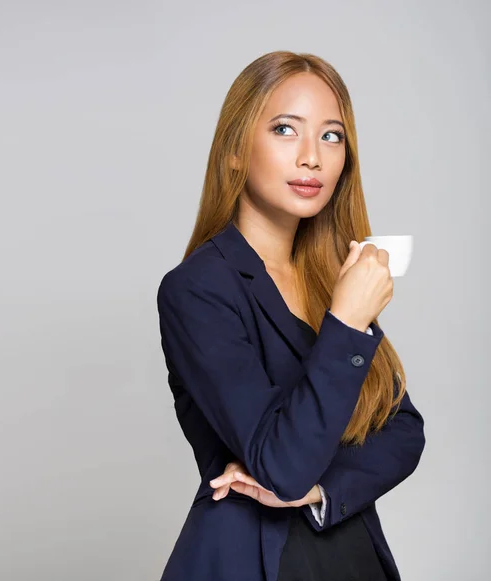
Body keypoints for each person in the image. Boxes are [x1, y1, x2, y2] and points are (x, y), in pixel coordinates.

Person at [155, 51, 426, 581]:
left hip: (350, 553)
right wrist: (347, 323)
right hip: (254, 560)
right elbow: (281, 466)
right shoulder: (197, 290)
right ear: (235, 151)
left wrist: (323, 491)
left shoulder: (330, 276)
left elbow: (404, 431)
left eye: (331, 136)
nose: (313, 158)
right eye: (285, 129)